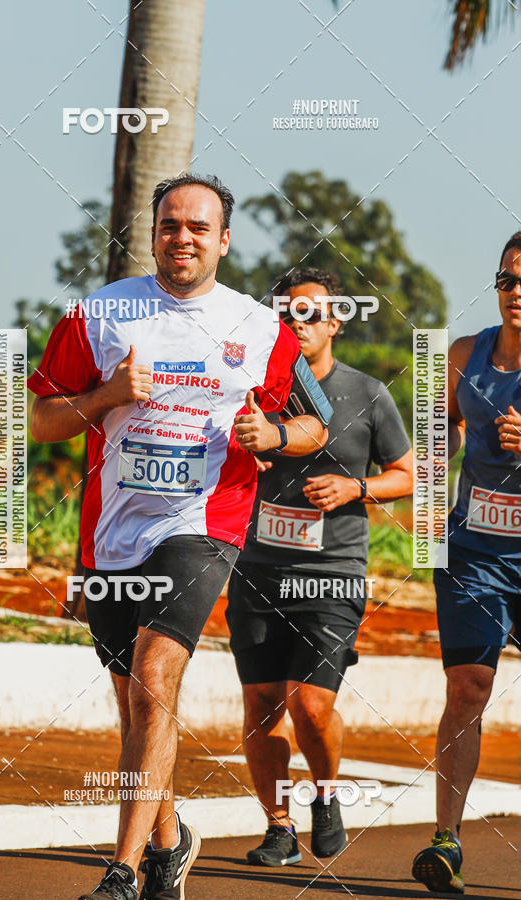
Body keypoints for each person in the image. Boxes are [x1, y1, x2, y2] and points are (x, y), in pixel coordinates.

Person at [28, 175, 334, 900]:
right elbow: (37, 421)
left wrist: (277, 432)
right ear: (154, 234)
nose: (183, 237)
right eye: (170, 225)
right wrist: (106, 397)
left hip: (205, 522)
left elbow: (318, 424)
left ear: (224, 240)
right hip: (111, 532)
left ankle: (121, 871)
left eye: (200, 227)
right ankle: (169, 842)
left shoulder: (261, 331)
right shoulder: (100, 315)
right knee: (135, 697)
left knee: (156, 674)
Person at [226, 266, 413, 868]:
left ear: (335, 322)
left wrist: (355, 488)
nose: (296, 323)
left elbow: (412, 475)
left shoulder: (367, 395)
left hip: (332, 571)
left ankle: (326, 794)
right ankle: (278, 826)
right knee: (261, 703)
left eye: (309, 313)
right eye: (286, 313)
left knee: (310, 707)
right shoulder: (253, 389)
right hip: (257, 568)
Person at [412, 232, 521, 895]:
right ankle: (446, 842)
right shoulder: (460, 355)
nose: (517, 293)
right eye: (508, 279)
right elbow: (434, 441)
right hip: (474, 551)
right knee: (468, 690)